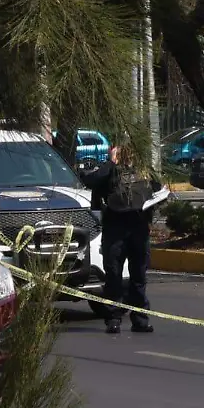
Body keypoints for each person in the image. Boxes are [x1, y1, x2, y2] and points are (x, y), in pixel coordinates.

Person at [80, 142, 163, 335]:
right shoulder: (109, 171)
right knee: (114, 275)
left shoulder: (143, 170)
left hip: (139, 228)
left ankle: (140, 319)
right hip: (115, 229)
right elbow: (90, 181)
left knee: (138, 276)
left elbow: (157, 189)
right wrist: (111, 163)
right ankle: (113, 318)